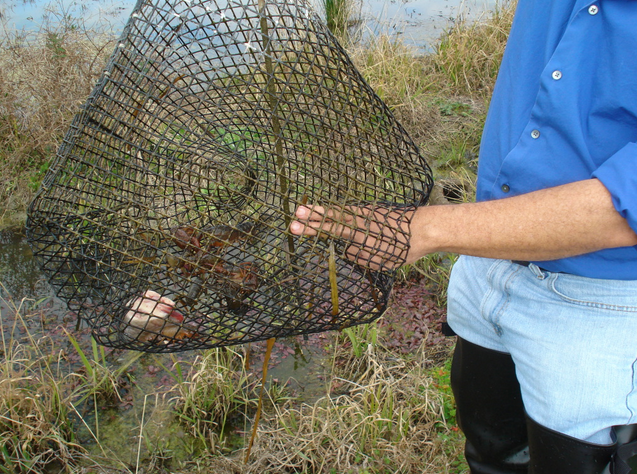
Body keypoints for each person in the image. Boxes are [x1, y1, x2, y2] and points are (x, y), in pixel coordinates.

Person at [290, 1, 637, 472]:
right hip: (485, 263)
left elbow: (627, 205)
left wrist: (423, 228)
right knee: (490, 452)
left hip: (601, 304)